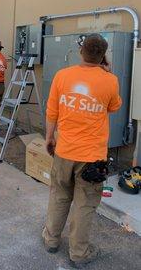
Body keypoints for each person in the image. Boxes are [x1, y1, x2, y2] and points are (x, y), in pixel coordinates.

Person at [42, 34, 122, 269]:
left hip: (64, 150)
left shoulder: (62, 76)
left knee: (59, 196)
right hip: (92, 158)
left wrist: (49, 138)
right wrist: (107, 72)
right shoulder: (110, 80)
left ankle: (51, 240)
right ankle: (78, 253)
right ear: (103, 56)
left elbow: (52, 111)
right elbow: (114, 107)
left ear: (81, 52)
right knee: (85, 205)